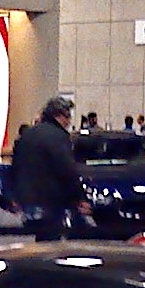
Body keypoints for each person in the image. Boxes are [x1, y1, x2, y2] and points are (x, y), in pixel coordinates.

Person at [10, 95, 89, 241]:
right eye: (68, 116)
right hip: (50, 201)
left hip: (25, 201)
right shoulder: (59, 137)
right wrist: (79, 197)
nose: (69, 121)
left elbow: (15, 166)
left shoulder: (28, 134)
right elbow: (67, 169)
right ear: (59, 115)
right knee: (50, 243)